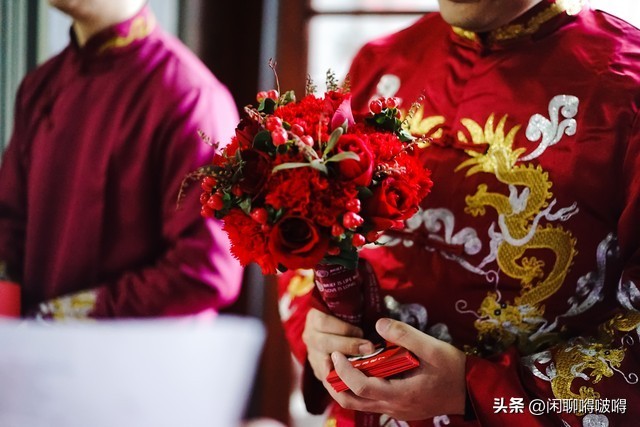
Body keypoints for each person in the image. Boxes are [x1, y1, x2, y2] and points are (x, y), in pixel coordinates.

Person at [278, 0, 640, 425]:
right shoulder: (380, 63)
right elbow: (306, 241)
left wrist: (478, 390)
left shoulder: (626, 90)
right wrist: (318, 330)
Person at [0, 0, 243, 319]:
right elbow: (8, 231)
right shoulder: (39, 87)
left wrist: (56, 318)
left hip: (135, 348)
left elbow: (207, 269)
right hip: (31, 345)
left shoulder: (190, 96)